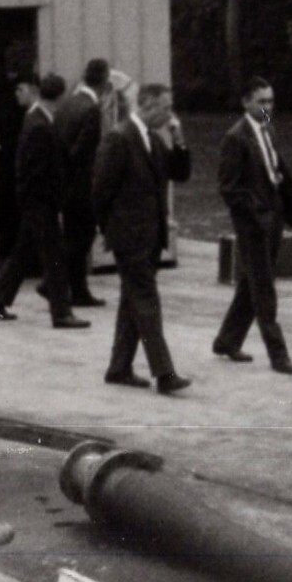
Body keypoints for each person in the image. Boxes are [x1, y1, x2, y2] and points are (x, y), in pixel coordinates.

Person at [92, 82, 193, 394]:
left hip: (150, 236)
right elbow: (100, 191)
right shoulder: (119, 138)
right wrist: (111, 231)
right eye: (166, 108)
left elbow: (180, 173)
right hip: (130, 237)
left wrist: (179, 139)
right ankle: (164, 373)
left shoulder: (153, 139)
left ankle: (119, 368)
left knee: (132, 301)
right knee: (147, 300)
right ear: (147, 104)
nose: (170, 115)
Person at [0, 74, 91, 329]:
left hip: (35, 202)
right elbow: (38, 171)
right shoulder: (40, 125)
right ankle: (61, 313)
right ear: (61, 97)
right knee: (55, 258)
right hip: (41, 202)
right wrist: (52, 202)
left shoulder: (37, 119)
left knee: (23, 252)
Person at [211, 77, 292, 374]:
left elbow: (276, 170)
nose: (268, 107)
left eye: (270, 101)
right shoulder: (235, 138)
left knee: (252, 283)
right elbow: (228, 188)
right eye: (261, 101)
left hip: (273, 218)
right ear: (246, 102)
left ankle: (227, 340)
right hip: (253, 225)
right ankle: (279, 355)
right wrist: (254, 216)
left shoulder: (268, 130)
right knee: (264, 288)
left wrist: (288, 212)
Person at [50, 58, 112, 308]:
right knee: (82, 238)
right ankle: (62, 286)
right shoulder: (91, 110)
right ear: (104, 81)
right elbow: (85, 152)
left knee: (73, 237)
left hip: (65, 183)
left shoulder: (68, 103)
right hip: (82, 185)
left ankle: (76, 290)